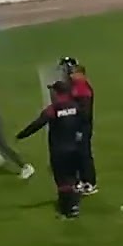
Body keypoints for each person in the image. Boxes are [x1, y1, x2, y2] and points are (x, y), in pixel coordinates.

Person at [16, 81, 88, 219]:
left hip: (59, 151)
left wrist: (21, 135)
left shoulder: (54, 109)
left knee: (62, 181)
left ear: (57, 93)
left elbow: (37, 124)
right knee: (72, 178)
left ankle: (67, 210)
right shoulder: (76, 107)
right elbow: (84, 121)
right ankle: (74, 206)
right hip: (75, 148)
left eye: (52, 91)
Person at [69, 64, 98, 194]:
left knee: (84, 154)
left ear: (81, 74)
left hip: (82, 126)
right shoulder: (76, 86)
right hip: (76, 126)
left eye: (74, 73)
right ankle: (80, 180)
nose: (71, 76)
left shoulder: (83, 89)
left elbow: (85, 113)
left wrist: (79, 129)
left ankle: (90, 182)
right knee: (77, 154)